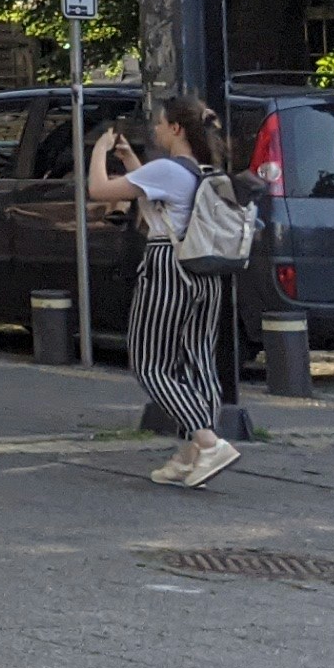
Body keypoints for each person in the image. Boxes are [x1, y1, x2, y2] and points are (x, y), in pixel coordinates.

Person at [93, 93, 249, 488]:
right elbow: (157, 201)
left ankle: (207, 442)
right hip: (204, 268)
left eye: (161, 123)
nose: (157, 128)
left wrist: (98, 150)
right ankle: (190, 454)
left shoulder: (165, 170)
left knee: (151, 364)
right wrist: (130, 159)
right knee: (196, 360)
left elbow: (100, 190)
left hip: (168, 268)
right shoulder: (199, 171)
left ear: (177, 129)